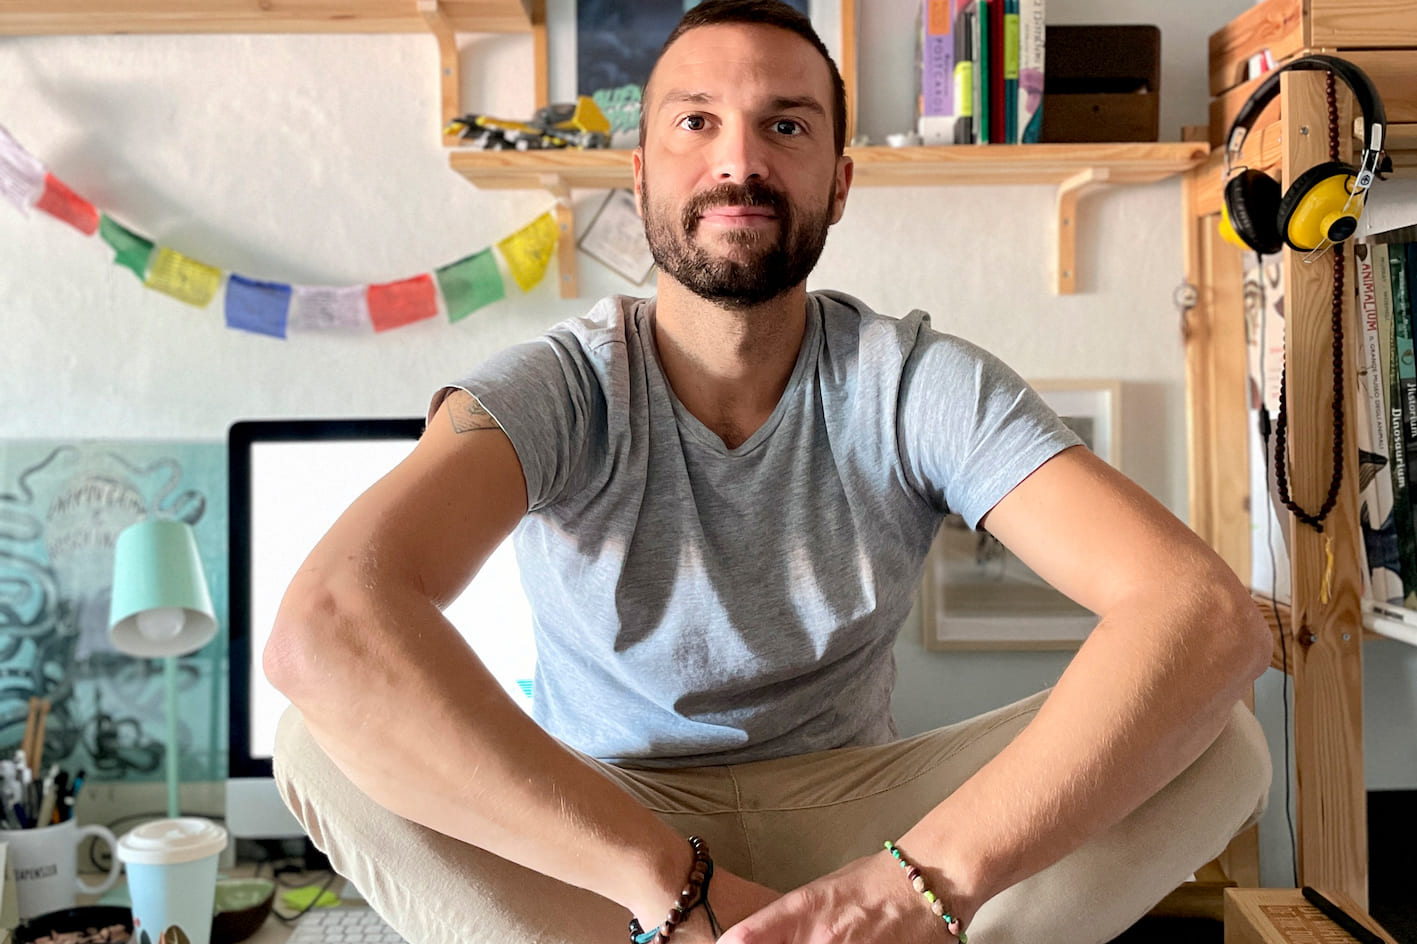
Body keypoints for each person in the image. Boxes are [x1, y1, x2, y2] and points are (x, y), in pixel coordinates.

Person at [265, 2, 1273, 942]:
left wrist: (912, 884)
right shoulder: (559, 386)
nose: (738, 160)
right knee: (318, 736)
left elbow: (1200, 613)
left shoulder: (912, 381)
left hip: (865, 824)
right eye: (695, 122)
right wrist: (671, 881)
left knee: (1220, 744)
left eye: (785, 126)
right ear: (639, 177)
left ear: (839, 181)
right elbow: (330, 623)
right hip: (611, 837)